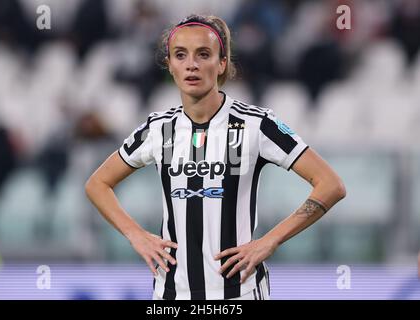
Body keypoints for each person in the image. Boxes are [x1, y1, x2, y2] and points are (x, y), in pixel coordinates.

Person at [85, 14, 346, 300]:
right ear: (170, 66)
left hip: (240, 294)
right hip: (171, 296)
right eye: (180, 55)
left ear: (222, 63)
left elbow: (331, 185)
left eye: (203, 54)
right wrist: (135, 234)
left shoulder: (256, 125)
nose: (191, 64)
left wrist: (270, 241)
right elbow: (97, 184)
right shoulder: (158, 129)